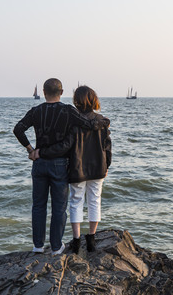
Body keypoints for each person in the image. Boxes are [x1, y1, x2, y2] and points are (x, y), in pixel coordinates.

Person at [13, 78, 105, 255]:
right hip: (59, 164)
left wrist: (30, 149)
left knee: (38, 205)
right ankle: (56, 247)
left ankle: (38, 246)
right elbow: (88, 124)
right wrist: (105, 122)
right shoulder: (68, 111)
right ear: (61, 93)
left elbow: (18, 129)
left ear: (44, 92)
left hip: (39, 163)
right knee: (59, 206)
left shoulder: (36, 111)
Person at [34, 85, 111, 253]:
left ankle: (76, 240)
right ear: (94, 100)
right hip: (98, 167)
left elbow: (66, 146)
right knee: (95, 201)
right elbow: (107, 147)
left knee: (76, 202)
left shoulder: (73, 123)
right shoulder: (102, 121)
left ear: (76, 101)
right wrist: (107, 166)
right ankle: (91, 238)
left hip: (77, 168)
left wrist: (42, 152)